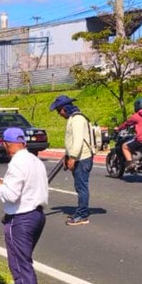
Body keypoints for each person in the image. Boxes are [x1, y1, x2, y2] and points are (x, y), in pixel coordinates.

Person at [0, 127, 48, 284]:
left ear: (7, 144)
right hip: (37, 215)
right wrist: (1, 181)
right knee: (23, 260)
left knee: (20, 263)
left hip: (21, 219)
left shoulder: (17, 164)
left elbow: (10, 195)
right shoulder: (35, 161)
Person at [49, 94, 93, 227]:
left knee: (81, 187)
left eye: (58, 110)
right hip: (77, 157)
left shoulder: (78, 119)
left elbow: (78, 141)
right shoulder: (72, 119)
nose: (59, 114)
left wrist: (72, 157)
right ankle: (80, 212)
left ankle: (82, 215)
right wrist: (67, 156)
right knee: (79, 186)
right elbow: (71, 140)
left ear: (64, 109)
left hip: (82, 158)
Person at [115, 97, 142, 170]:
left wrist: (118, 128)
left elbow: (126, 124)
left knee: (124, 146)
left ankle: (130, 163)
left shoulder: (135, 116)